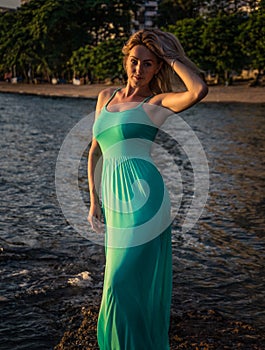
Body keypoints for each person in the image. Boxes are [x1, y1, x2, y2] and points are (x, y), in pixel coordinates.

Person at [87, 28, 208, 350]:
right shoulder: (106, 97)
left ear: (158, 68)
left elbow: (198, 90)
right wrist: (93, 200)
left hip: (144, 198)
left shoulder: (155, 103)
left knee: (120, 279)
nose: (138, 69)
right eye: (134, 61)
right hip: (113, 197)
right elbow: (96, 150)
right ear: (125, 61)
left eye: (148, 64)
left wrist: (172, 56)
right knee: (118, 280)